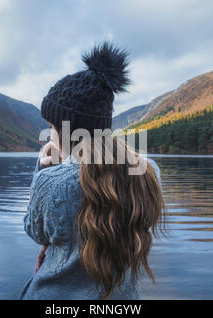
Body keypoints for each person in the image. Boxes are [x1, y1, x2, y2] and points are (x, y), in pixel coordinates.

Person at [19, 42, 164, 300]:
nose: (49, 135)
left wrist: (42, 169)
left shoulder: (52, 181)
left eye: (51, 126)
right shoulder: (148, 171)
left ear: (65, 130)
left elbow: (35, 231)